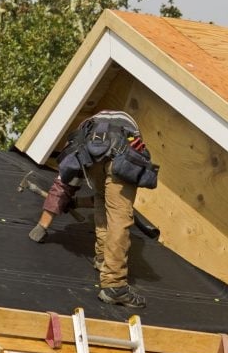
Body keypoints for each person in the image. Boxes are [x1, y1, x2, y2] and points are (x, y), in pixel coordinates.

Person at [28, 110, 159, 308]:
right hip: (122, 155)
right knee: (119, 217)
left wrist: (42, 227)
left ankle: (101, 258)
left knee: (101, 199)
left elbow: (62, 186)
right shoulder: (125, 132)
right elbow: (113, 202)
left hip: (101, 153)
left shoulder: (83, 143)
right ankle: (114, 285)